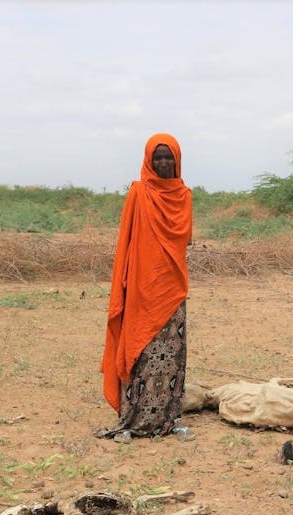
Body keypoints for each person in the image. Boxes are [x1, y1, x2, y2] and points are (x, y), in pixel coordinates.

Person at [94, 133, 193, 443]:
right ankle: (132, 418)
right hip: (141, 286)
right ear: (149, 161)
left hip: (172, 289)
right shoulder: (138, 193)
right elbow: (126, 241)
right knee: (140, 351)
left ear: (177, 161)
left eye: (169, 157)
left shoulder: (184, 195)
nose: (163, 162)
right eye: (157, 158)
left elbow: (183, 238)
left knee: (172, 356)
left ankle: (168, 419)